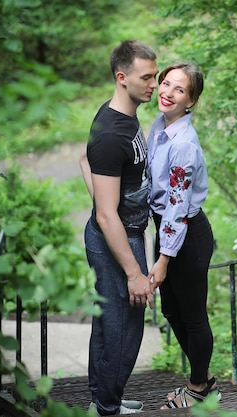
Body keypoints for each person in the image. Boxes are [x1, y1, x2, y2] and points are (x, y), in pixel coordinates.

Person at [79, 40, 158, 416]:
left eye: (155, 76)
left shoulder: (122, 118)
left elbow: (83, 160)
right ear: (122, 77)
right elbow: (107, 215)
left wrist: (106, 203)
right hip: (117, 238)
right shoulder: (112, 133)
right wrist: (133, 272)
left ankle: (104, 399)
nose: (154, 84)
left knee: (112, 322)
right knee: (122, 328)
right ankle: (106, 408)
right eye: (147, 77)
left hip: (121, 232)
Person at [146, 61, 220, 409]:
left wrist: (163, 259)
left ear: (190, 101)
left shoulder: (184, 144)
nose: (167, 92)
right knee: (172, 310)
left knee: (192, 314)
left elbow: (176, 207)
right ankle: (202, 380)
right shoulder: (160, 126)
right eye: (166, 84)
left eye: (179, 89)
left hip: (186, 236)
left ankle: (197, 388)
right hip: (168, 230)